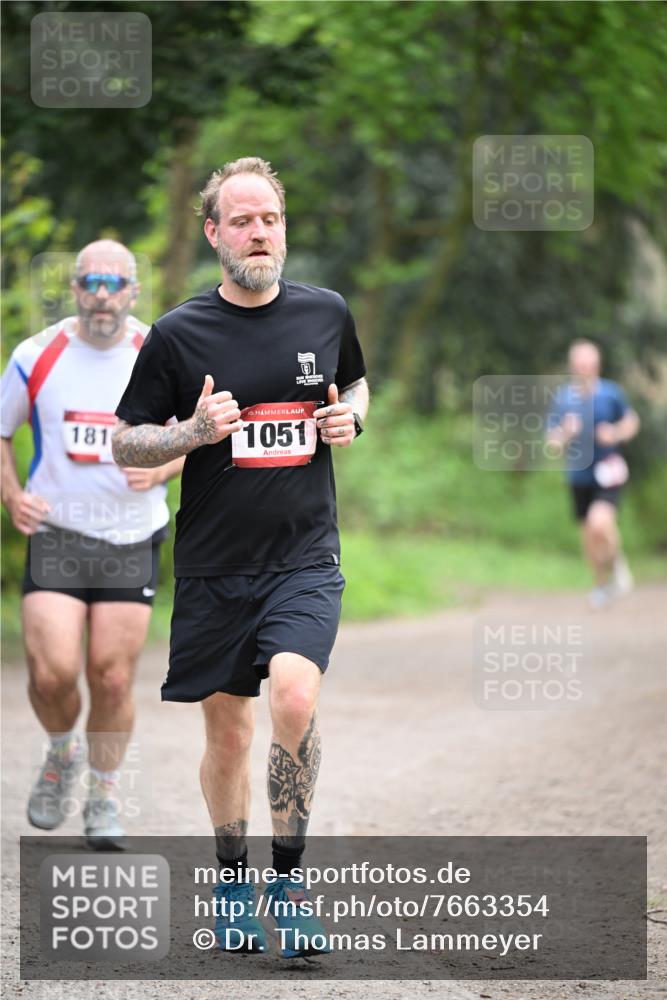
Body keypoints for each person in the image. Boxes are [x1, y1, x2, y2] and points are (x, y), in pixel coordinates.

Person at [112, 157, 369, 957]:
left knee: (293, 699)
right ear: (214, 232)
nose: (261, 233)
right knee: (227, 737)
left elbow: (356, 386)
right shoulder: (179, 334)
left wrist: (349, 422)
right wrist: (193, 431)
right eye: (245, 220)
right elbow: (127, 442)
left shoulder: (325, 312)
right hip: (217, 568)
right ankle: (230, 884)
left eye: (272, 219)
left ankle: (288, 886)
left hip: (303, 557)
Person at [1, 239, 184, 849]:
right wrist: (10, 493)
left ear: (134, 291)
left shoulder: (158, 351)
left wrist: (160, 470)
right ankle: (62, 751)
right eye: (90, 283)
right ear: (75, 288)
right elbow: (2, 433)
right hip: (57, 533)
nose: (101, 296)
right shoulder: (36, 355)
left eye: (115, 284)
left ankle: (104, 798)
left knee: (110, 677)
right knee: (52, 675)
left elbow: (196, 435)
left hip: (131, 534)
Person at [547, 339, 640, 609]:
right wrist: (565, 434)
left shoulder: (611, 393)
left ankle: (616, 560)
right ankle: (601, 584)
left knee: (601, 523)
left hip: (608, 471)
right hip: (578, 476)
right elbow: (551, 443)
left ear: (597, 365)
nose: (584, 368)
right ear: (572, 366)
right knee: (589, 536)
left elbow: (631, 422)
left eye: (589, 363)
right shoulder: (563, 399)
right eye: (579, 364)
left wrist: (616, 433)